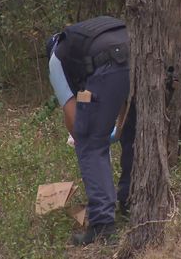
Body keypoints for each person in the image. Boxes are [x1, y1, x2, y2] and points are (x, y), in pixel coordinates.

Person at [46, 16, 136, 246]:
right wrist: (114, 132)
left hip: (108, 66)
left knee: (89, 142)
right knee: (133, 134)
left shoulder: (56, 59)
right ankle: (130, 199)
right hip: (136, 55)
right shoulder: (85, 40)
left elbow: (73, 115)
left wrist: (84, 136)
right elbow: (122, 107)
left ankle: (103, 225)